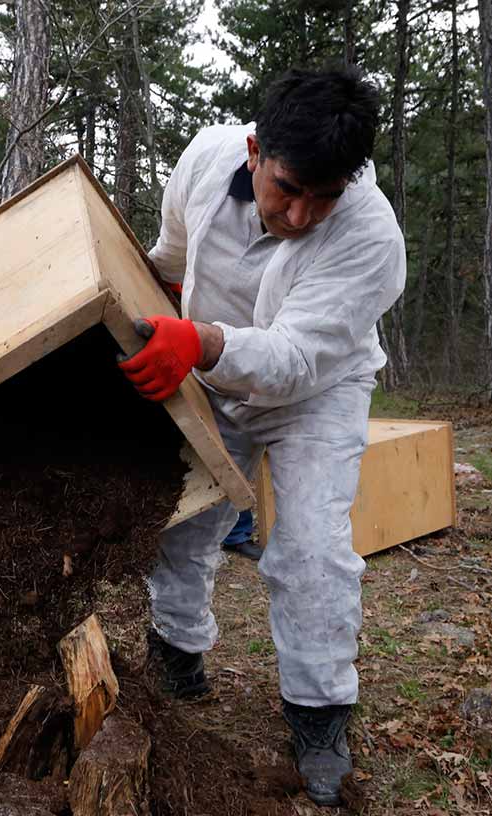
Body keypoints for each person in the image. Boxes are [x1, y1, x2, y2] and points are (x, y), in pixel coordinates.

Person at [120, 68, 405, 806]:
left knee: (310, 548)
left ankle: (318, 711)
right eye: (287, 188)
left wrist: (202, 341)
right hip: (210, 378)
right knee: (185, 524)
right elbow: (170, 260)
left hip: (317, 391)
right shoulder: (205, 161)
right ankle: (177, 652)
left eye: (326, 195)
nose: (304, 214)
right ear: (253, 150)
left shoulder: (371, 236)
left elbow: (295, 358)